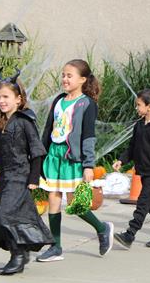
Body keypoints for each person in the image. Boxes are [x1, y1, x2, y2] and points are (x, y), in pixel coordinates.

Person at [0, 69, 54, 275]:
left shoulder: (25, 121)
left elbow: (37, 152)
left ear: (18, 99)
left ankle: (18, 256)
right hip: (5, 178)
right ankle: (21, 253)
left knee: (5, 214)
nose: (1, 101)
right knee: (15, 216)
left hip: (21, 177)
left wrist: (34, 178)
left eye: (6, 97)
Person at [37, 59, 113, 262]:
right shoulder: (58, 100)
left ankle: (102, 228)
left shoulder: (87, 104)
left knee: (74, 204)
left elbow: (88, 136)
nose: (64, 79)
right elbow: (48, 129)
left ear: (82, 79)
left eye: (69, 76)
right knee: (53, 199)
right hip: (54, 155)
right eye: (63, 75)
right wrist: (40, 155)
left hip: (72, 158)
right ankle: (55, 246)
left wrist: (88, 165)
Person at [112, 89, 150, 249]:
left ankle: (130, 234)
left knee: (143, 202)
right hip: (143, 170)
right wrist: (121, 160)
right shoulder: (139, 125)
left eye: (139, 105)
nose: (136, 108)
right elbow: (132, 147)